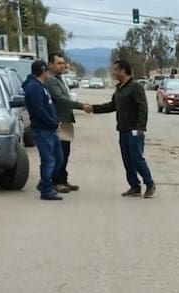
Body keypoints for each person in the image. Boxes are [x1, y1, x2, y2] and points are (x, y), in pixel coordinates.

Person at [85, 59, 156, 198]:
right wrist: (93, 108)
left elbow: (143, 108)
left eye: (116, 69)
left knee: (137, 159)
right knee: (127, 160)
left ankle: (150, 183)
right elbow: (112, 106)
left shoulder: (135, 87)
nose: (114, 72)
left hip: (135, 130)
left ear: (123, 70)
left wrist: (141, 127)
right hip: (123, 129)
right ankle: (134, 186)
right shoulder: (119, 88)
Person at [22, 61, 62, 201]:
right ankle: (46, 190)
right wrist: (52, 122)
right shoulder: (34, 88)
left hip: (50, 129)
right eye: (47, 71)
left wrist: (55, 121)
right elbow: (39, 111)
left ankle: (44, 183)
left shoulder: (41, 86)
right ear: (43, 71)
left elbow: (48, 106)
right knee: (49, 160)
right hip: (42, 130)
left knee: (58, 158)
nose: (49, 73)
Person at [46, 52, 86, 193]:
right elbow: (60, 99)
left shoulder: (60, 79)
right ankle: (55, 181)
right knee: (59, 153)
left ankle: (63, 179)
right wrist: (82, 106)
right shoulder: (51, 81)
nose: (62, 65)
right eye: (59, 63)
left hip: (66, 122)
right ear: (50, 65)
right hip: (58, 122)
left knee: (65, 152)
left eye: (63, 63)